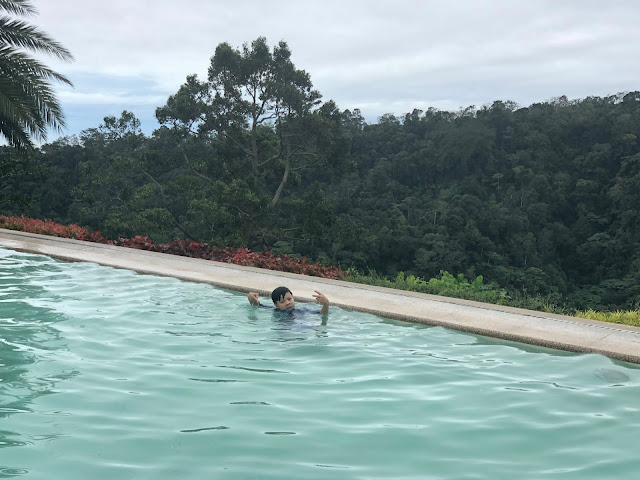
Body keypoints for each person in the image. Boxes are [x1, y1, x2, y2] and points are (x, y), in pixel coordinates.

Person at [247, 286, 330, 315]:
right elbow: (257, 305)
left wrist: (325, 304)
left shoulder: (301, 311)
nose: (287, 303)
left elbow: (322, 314)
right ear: (276, 305)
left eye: (289, 299)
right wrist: (251, 297)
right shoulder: (275, 310)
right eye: (282, 302)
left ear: (293, 298)